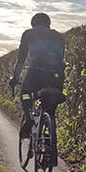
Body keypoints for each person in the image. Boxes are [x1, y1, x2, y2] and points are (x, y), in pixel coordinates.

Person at [9, 12, 65, 140]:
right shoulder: (60, 37)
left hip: (36, 69)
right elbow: (61, 56)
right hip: (57, 73)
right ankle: (48, 133)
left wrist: (15, 78)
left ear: (33, 24)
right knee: (51, 101)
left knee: (25, 91)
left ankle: (28, 116)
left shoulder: (29, 34)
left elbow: (21, 60)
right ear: (49, 24)